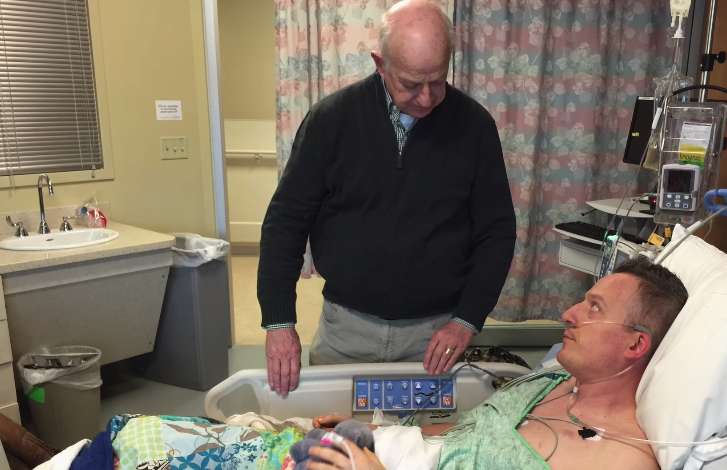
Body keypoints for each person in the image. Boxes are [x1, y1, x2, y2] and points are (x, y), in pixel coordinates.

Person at [258, 0, 516, 396]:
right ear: (381, 64)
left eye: (438, 80)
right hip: (346, 327)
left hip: (434, 334)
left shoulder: (475, 126)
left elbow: (497, 231)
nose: (428, 98)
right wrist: (279, 322)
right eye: (412, 84)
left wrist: (467, 319)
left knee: (425, 444)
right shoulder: (331, 120)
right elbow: (285, 223)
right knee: (331, 442)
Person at [304, 258, 689, 470]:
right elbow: (470, 434)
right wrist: (377, 431)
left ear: (637, 343)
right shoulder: (551, 380)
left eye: (594, 307)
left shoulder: (620, 462)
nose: (570, 313)